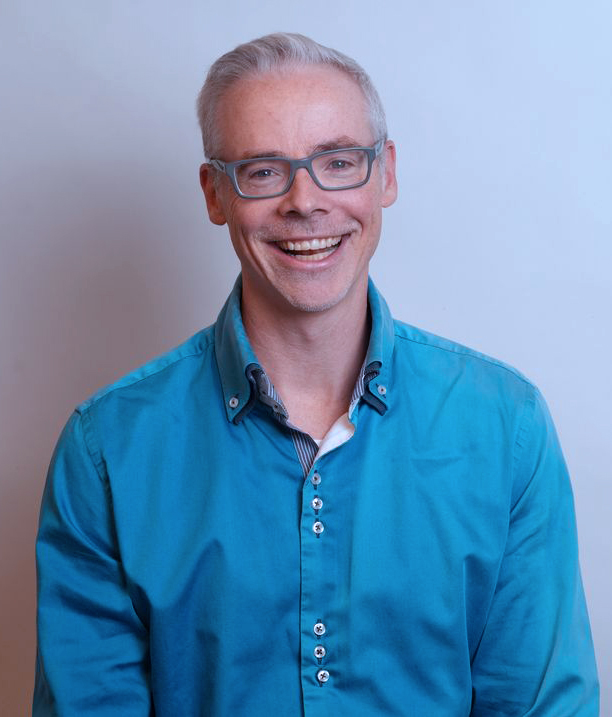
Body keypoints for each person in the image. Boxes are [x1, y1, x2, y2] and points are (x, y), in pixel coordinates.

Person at [34, 32, 599, 716]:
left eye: (338, 162)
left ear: (385, 175)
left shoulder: (506, 428)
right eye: (263, 170)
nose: (305, 201)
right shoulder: (106, 451)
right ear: (215, 194)